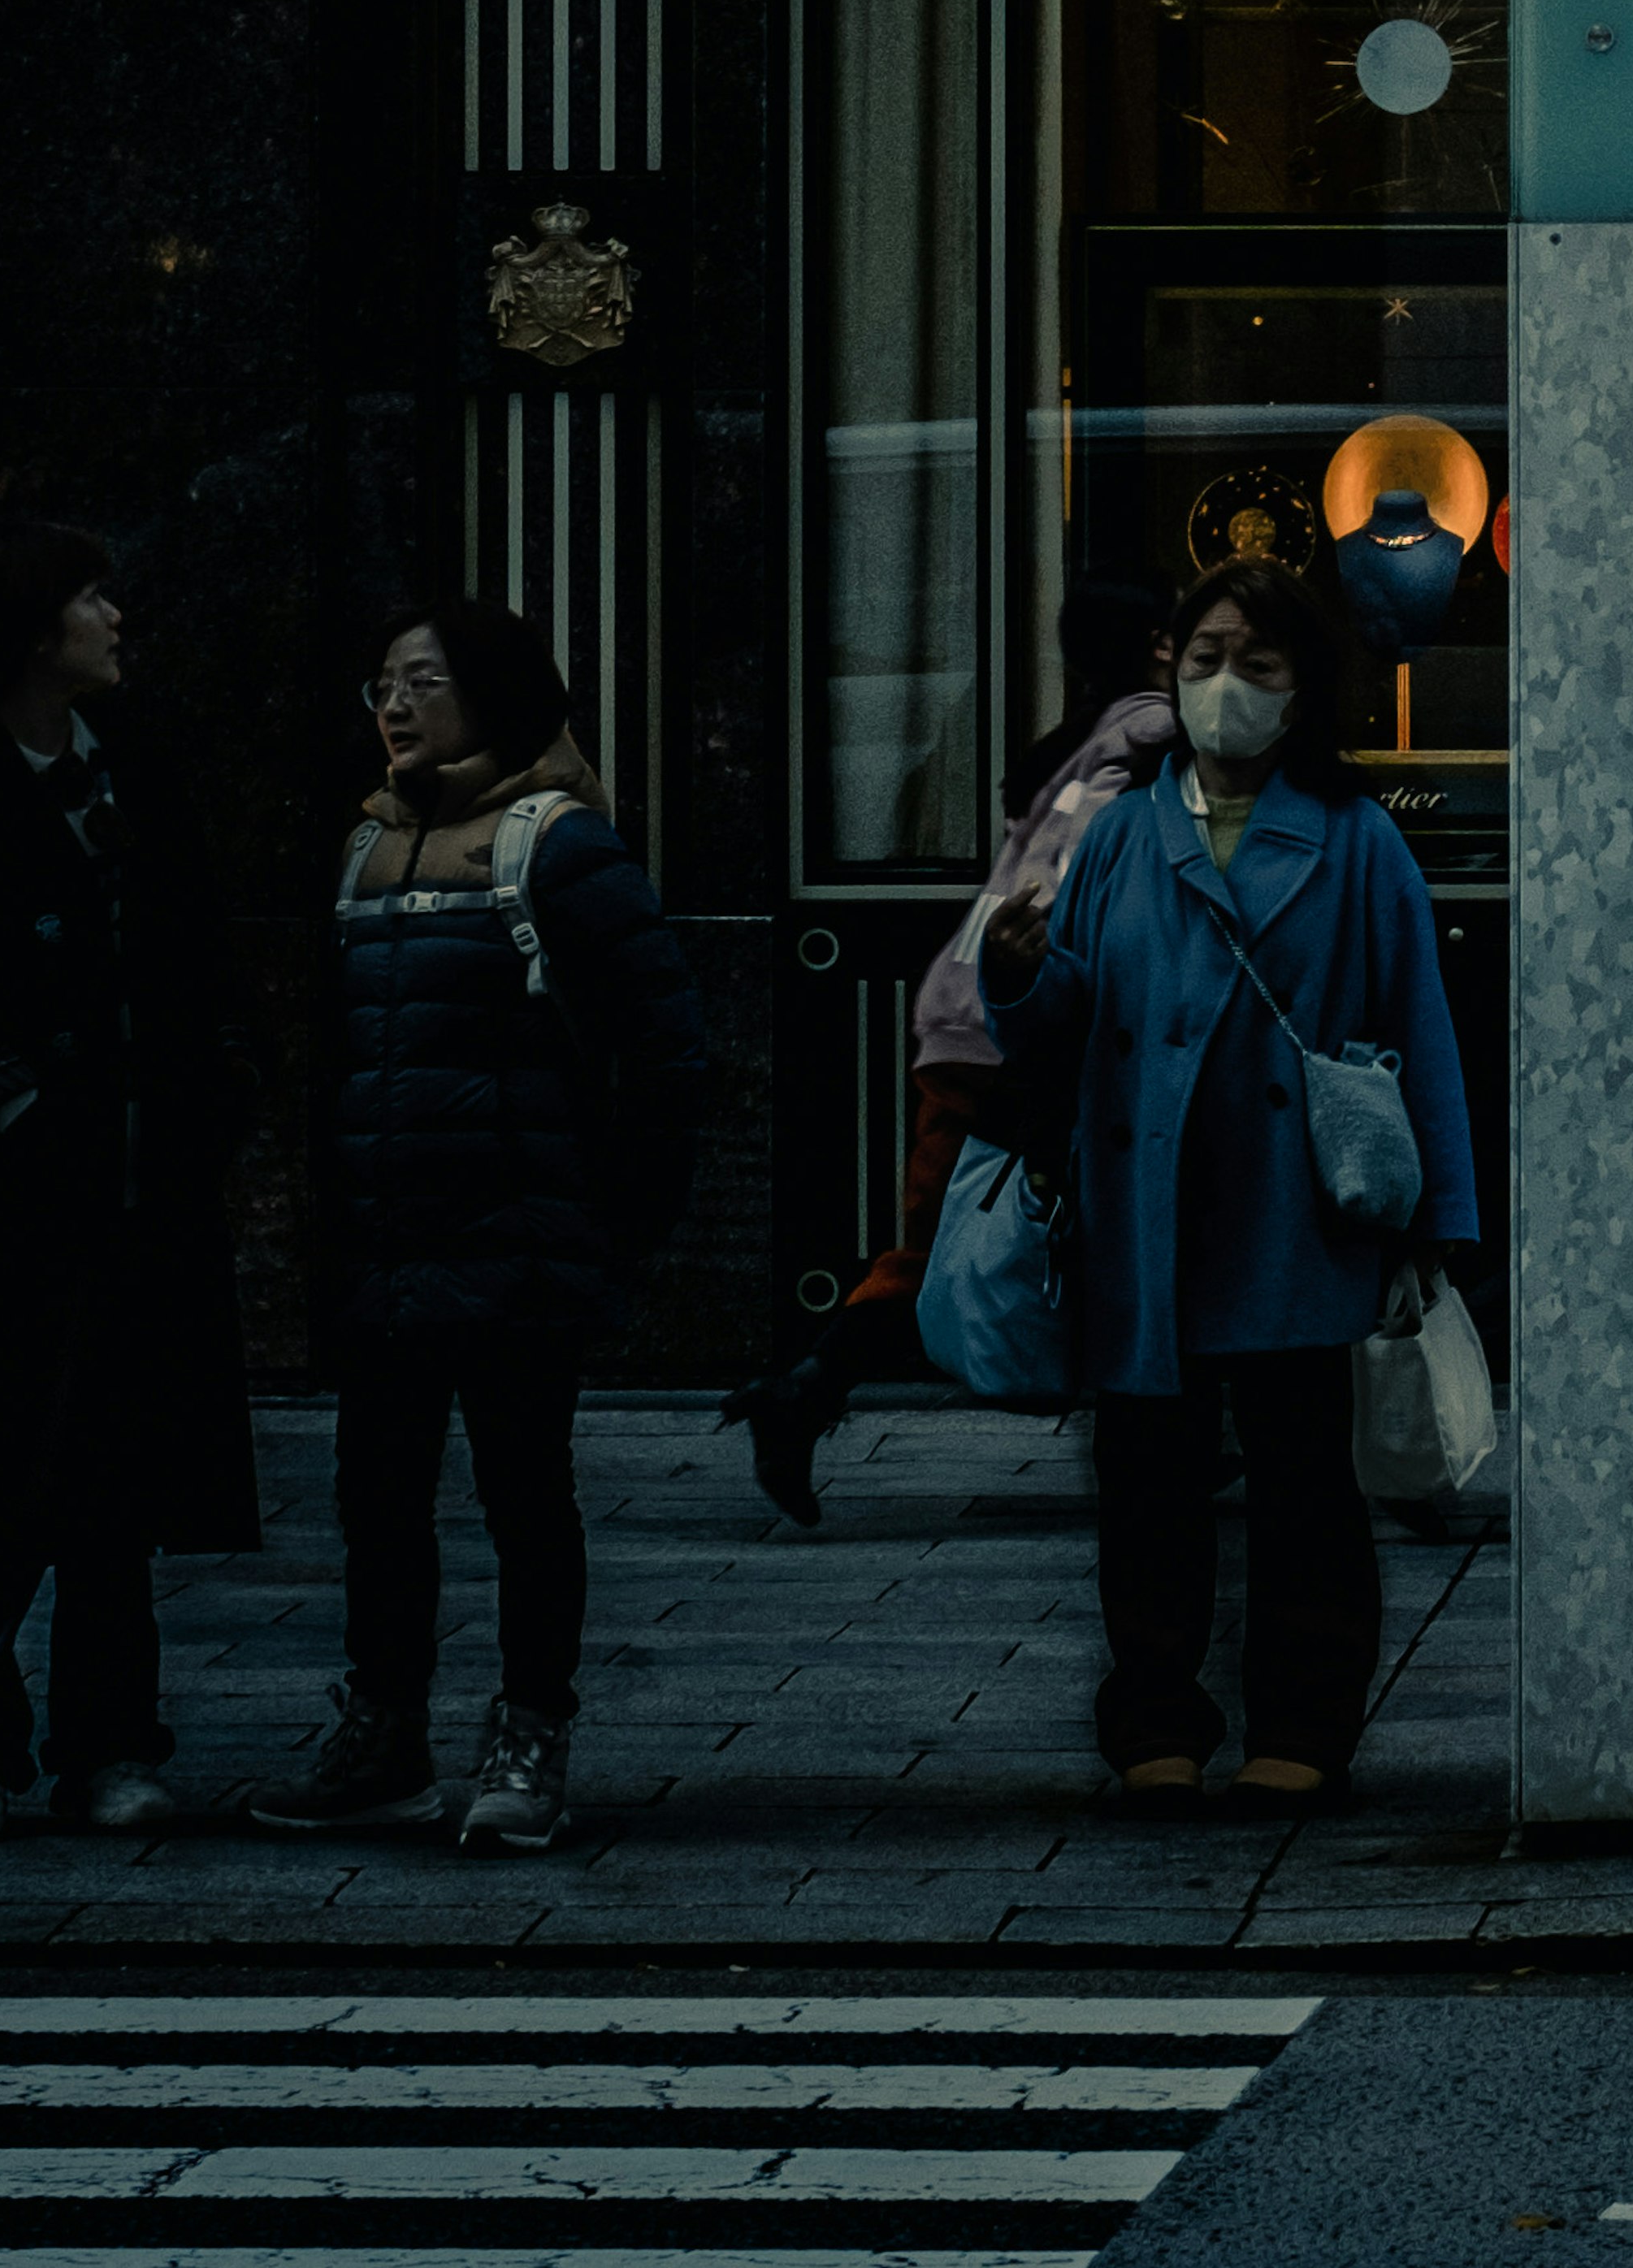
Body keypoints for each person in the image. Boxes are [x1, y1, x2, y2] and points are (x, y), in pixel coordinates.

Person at [977, 557, 1479, 1812]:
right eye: (1203, 657)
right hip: (1146, 1208)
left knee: (1307, 1475)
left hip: (1290, 1206)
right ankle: (1155, 1712)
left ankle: (1303, 1717)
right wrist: (1020, 972)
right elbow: (1067, 1022)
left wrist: (1438, 1226)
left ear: (1307, 680)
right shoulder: (1117, 836)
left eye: (1257, 661)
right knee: (1147, 1475)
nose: (1225, 687)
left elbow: (1420, 1024)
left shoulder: (1360, 843)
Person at [249, 599, 706, 1852]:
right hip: (387, 1249)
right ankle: (385, 1728)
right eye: (381, 685)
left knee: (524, 1496)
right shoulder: (362, 849)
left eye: (423, 681)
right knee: (377, 1495)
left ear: (493, 695)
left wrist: (608, 1230)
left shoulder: (557, 848)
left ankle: (529, 1730)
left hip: (517, 1249)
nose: (393, 706)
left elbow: (669, 1055)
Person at [0, 522, 257, 1845]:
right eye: (86, 596)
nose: (114, 615)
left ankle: (111, 1738)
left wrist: (205, 1092)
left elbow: (195, 952)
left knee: (112, 1483)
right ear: (28, 630)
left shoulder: (142, 773)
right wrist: (13, 1104)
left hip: (133, 1181)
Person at [721, 574, 1176, 1523]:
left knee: (965, 1241)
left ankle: (808, 1390)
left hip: (961, 1018)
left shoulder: (1074, 740)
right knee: (975, 1249)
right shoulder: (1150, 737)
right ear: (1161, 646)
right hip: (1018, 1026)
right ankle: (806, 1390)